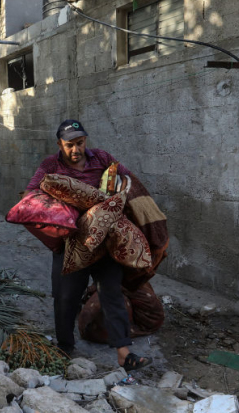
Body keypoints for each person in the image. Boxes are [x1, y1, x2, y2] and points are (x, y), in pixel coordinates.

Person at [25, 119, 152, 371]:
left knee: (111, 293)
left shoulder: (102, 158)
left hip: (104, 242)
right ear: (59, 145)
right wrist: (65, 211)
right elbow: (31, 194)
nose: (76, 150)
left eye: (80, 143)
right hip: (71, 242)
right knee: (65, 296)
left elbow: (127, 178)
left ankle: (123, 352)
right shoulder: (51, 165)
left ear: (86, 141)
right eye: (69, 145)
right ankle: (65, 347)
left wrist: (118, 194)